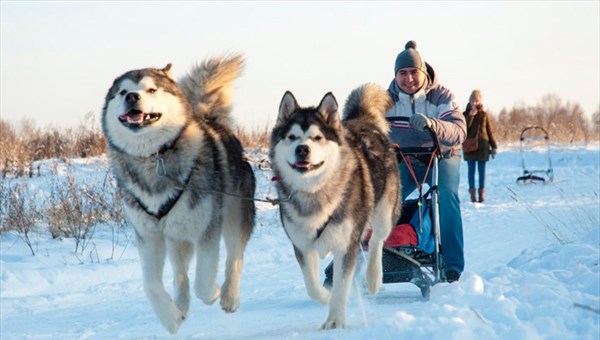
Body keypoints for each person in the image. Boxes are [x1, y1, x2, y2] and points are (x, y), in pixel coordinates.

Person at [385, 40, 466, 283]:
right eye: (402, 73)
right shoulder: (385, 100)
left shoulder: (441, 96)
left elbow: (459, 129)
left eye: (413, 73)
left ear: (423, 73)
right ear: (396, 76)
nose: (408, 79)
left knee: (445, 198)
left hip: (442, 156)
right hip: (407, 158)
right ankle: (383, 253)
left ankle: (452, 265)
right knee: (383, 197)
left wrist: (433, 124)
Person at [463, 90, 498, 203]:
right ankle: (472, 195)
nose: (475, 103)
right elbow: (464, 129)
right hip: (470, 147)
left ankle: (481, 195)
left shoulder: (484, 115)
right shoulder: (464, 114)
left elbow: (489, 131)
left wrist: (494, 146)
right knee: (471, 171)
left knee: (482, 172)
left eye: (477, 101)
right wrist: (470, 116)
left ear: (480, 102)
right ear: (469, 101)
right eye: (473, 101)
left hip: (483, 146)